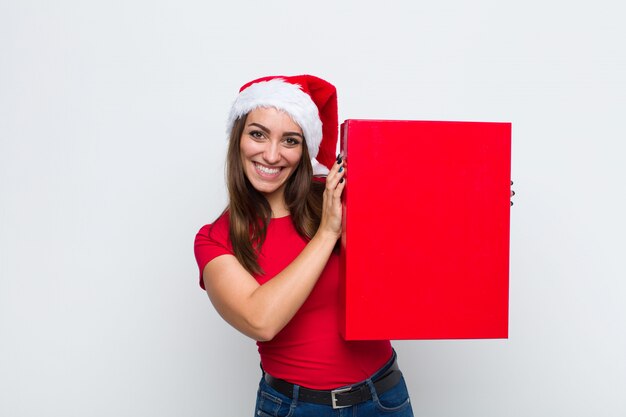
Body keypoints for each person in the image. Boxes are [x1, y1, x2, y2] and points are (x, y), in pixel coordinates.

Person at [194, 75, 414, 416]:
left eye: (290, 140)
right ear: (238, 138)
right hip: (295, 407)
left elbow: (417, 231)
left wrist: (481, 199)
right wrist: (327, 234)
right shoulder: (215, 239)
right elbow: (260, 321)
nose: (271, 154)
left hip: (383, 398)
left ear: (304, 150)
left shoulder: (337, 195)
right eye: (258, 134)